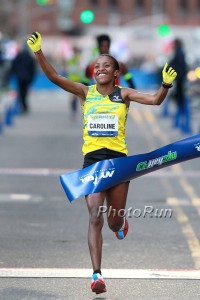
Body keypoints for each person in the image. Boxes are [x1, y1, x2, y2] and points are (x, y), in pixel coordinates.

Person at [27, 32, 177, 295]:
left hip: (119, 163)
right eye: (97, 66)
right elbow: (54, 78)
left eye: (106, 66)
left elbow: (154, 100)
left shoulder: (124, 94)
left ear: (116, 72)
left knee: (113, 223)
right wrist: (39, 52)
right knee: (95, 215)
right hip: (93, 163)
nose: (100, 69)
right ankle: (97, 274)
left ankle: (121, 223)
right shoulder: (85, 92)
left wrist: (165, 85)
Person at [10, 43, 36, 113]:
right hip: (27, 78)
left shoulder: (18, 56)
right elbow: (33, 69)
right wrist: (31, 78)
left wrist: (13, 73)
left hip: (20, 77)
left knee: (21, 92)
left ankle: (23, 106)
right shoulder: (30, 57)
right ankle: (24, 106)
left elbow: (13, 65)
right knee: (24, 92)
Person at [169, 38, 188, 132]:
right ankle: (182, 124)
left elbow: (177, 66)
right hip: (180, 79)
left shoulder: (178, 53)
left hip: (179, 80)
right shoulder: (180, 52)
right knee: (181, 101)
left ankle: (183, 125)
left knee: (181, 101)